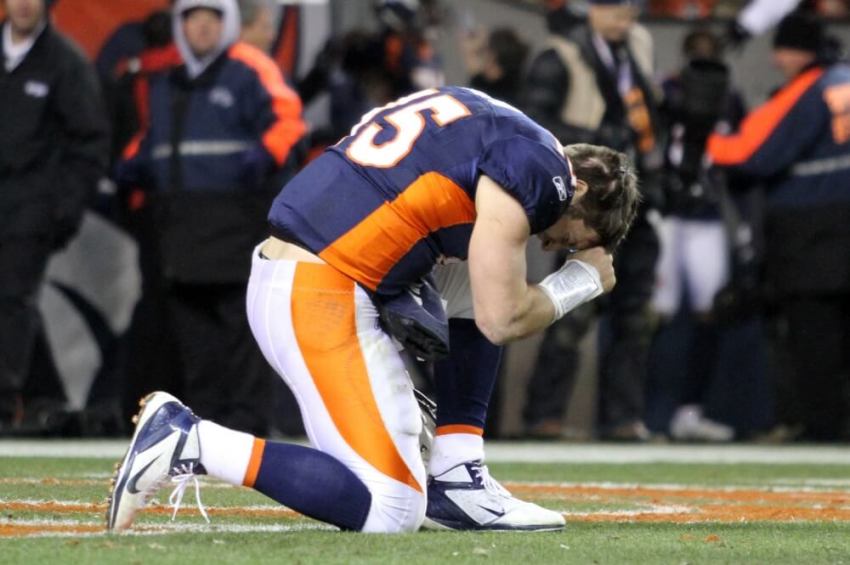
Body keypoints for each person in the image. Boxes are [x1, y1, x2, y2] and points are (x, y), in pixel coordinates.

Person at [107, 86, 640, 534]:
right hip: (319, 291)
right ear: (579, 187)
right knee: (392, 508)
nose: (553, 247)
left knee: (480, 276)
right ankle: (191, 439)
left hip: (312, 270)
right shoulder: (542, 172)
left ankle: (457, 472)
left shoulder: (494, 115)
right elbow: (501, 319)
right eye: (571, 238)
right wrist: (580, 280)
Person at [116, 0, 306, 436]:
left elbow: (289, 121)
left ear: (228, 23)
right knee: (193, 340)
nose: (202, 26)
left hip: (239, 223)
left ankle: (248, 426)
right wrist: (132, 164)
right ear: (181, 25)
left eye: (212, 17)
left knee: (244, 333)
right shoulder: (167, 82)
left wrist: (267, 153)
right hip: (181, 229)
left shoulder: (251, 68)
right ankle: (208, 431)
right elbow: (154, 141)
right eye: (192, 17)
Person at [522, 0, 661, 440]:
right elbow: (535, 122)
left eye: (630, 11)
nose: (625, 20)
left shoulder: (637, 45)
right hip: (587, 199)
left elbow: (646, 111)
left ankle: (623, 417)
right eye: (615, 10)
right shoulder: (559, 54)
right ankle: (544, 415)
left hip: (635, 192)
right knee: (571, 312)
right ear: (592, 10)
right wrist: (594, 141)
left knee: (635, 316)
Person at [707, 11, 850, 440]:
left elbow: (752, 152)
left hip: (812, 231)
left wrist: (705, 140)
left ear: (795, 51)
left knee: (813, 331)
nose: (776, 62)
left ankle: (822, 427)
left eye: (781, 51)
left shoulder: (808, 89)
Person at [0, 0, 110, 432]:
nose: (25, 3)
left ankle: (5, 407)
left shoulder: (64, 62)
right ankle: (45, 398)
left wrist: (59, 212)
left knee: (11, 303)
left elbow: (90, 143)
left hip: (30, 211)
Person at [652, 28, 742, 442]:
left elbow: (738, 153)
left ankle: (690, 410)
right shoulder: (663, 91)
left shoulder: (732, 97)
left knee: (711, 310)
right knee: (654, 312)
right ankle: (646, 411)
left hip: (706, 212)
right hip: (668, 212)